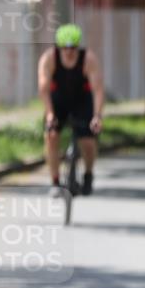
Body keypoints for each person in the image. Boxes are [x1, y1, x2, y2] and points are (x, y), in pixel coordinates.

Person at [38, 24, 104, 196]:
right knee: (51, 136)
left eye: (73, 48)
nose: (69, 52)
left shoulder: (88, 59)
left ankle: (88, 175)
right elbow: (43, 90)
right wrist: (50, 114)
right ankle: (55, 181)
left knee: (88, 142)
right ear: (59, 47)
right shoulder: (49, 59)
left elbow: (97, 90)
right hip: (58, 101)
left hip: (82, 101)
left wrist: (97, 116)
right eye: (65, 48)